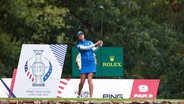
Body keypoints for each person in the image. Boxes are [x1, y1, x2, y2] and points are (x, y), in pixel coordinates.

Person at [76, 31, 103, 98]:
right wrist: (96, 43)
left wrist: (99, 45)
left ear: (84, 35)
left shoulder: (89, 42)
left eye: (82, 34)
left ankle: (91, 97)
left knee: (89, 80)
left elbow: (94, 49)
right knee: (82, 82)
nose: (81, 35)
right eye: (80, 35)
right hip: (84, 64)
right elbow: (86, 48)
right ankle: (79, 94)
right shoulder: (78, 45)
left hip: (91, 63)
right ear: (78, 37)